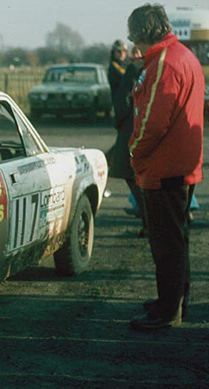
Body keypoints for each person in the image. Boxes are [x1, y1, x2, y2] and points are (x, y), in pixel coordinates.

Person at [126, 4, 205, 331]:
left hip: (164, 168)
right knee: (177, 241)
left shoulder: (164, 64)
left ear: (140, 33)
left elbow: (151, 124)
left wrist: (134, 153)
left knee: (166, 246)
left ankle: (167, 311)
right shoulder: (181, 55)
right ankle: (174, 300)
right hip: (182, 165)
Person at [110, 46, 146, 236]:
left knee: (129, 172)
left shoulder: (134, 68)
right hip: (144, 125)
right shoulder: (154, 66)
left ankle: (147, 218)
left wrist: (120, 122)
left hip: (130, 126)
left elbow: (122, 98)